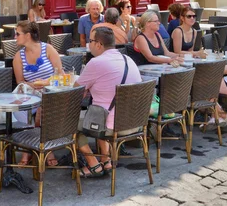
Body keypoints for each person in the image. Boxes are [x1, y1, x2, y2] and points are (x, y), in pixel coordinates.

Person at [74, 27, 142, 177]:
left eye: (90, 41)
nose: (88, 45)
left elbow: (75, 94)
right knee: (99, 109)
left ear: (98, 44)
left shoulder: (96, 63)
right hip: (135, 123)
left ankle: (93, 164)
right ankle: (106, 160)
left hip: (112, 126)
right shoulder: (128, 59)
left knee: (69, 123)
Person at [12, 20, 63, 165]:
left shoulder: (48, 49)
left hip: (52, 92)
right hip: (32, 94)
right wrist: (33, 85)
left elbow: (61, 75)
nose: (15, 37)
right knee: (20, 111)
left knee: (43, 108)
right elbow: (20, 82)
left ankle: (47, 149)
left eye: (17, 34)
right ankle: (27, 147)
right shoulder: (18, 57)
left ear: (27, 35)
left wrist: (46, 82)